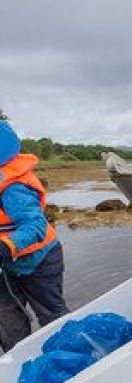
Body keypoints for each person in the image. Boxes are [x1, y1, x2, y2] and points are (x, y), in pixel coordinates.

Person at [0, 114, 69, 352]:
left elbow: (35, 226)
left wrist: (7, 246)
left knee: (52, 314)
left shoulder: (13, 188)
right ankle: (18, 363)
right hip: (9, 266)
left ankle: (71, 357)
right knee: (9, 321)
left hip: (41, 261)